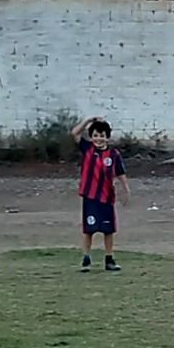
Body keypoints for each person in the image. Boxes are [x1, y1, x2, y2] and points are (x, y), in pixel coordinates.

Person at [70, 115, 131, 273]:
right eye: (96, 135)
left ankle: (109, 259)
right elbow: (75, 133)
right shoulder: (88, 149)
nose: (99, 139)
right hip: (90, 197)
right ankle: (86, 259)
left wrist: (126, 190)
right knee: (88, 230)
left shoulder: (113, 155)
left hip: (107, 197)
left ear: (107, 137)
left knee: (108, 230)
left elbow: (120, 173)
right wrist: (88, 121)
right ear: (91, 137)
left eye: (102, 136)